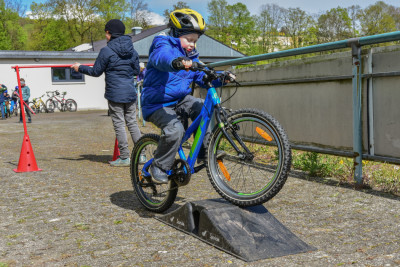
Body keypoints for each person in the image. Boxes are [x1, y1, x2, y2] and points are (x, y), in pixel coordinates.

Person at [141, 9, 235, 183]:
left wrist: (221, 77)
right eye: (189, 40)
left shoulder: (191, 56)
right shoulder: (162, 44)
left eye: (195, 41)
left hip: (180, 100)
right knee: (176, 130)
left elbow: (201, 75)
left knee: (202, 106)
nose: (192, 44)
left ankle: (204, 152)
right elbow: (162, 58)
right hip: (157, 103)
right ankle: (159, 166)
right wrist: (175, 62)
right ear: (176, 34)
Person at [71, 19, 142, 167]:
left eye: (106, 32)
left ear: (109, 33)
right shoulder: (132, 50)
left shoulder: (106, 51)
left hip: (115, 94)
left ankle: (125, 157)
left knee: (119, 124)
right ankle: (141, 155)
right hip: (130, 92)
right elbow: (136, 71)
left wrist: (80, 67)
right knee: (132, 123)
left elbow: (96, 71)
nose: (105, 35)